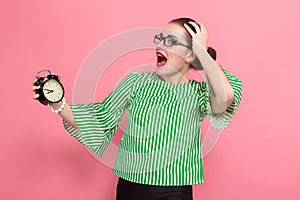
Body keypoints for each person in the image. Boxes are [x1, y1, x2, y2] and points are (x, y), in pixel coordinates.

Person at [32, 17, 242, 200]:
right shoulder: (135, 82)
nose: (161, 45)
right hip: (132, 187)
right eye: (160, 39)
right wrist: (56, 102)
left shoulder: (200, 92)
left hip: (176, 190)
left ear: (190, 54)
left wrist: (201, 52)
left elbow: (226, 96)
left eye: (170, 41)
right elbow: (98, 120)